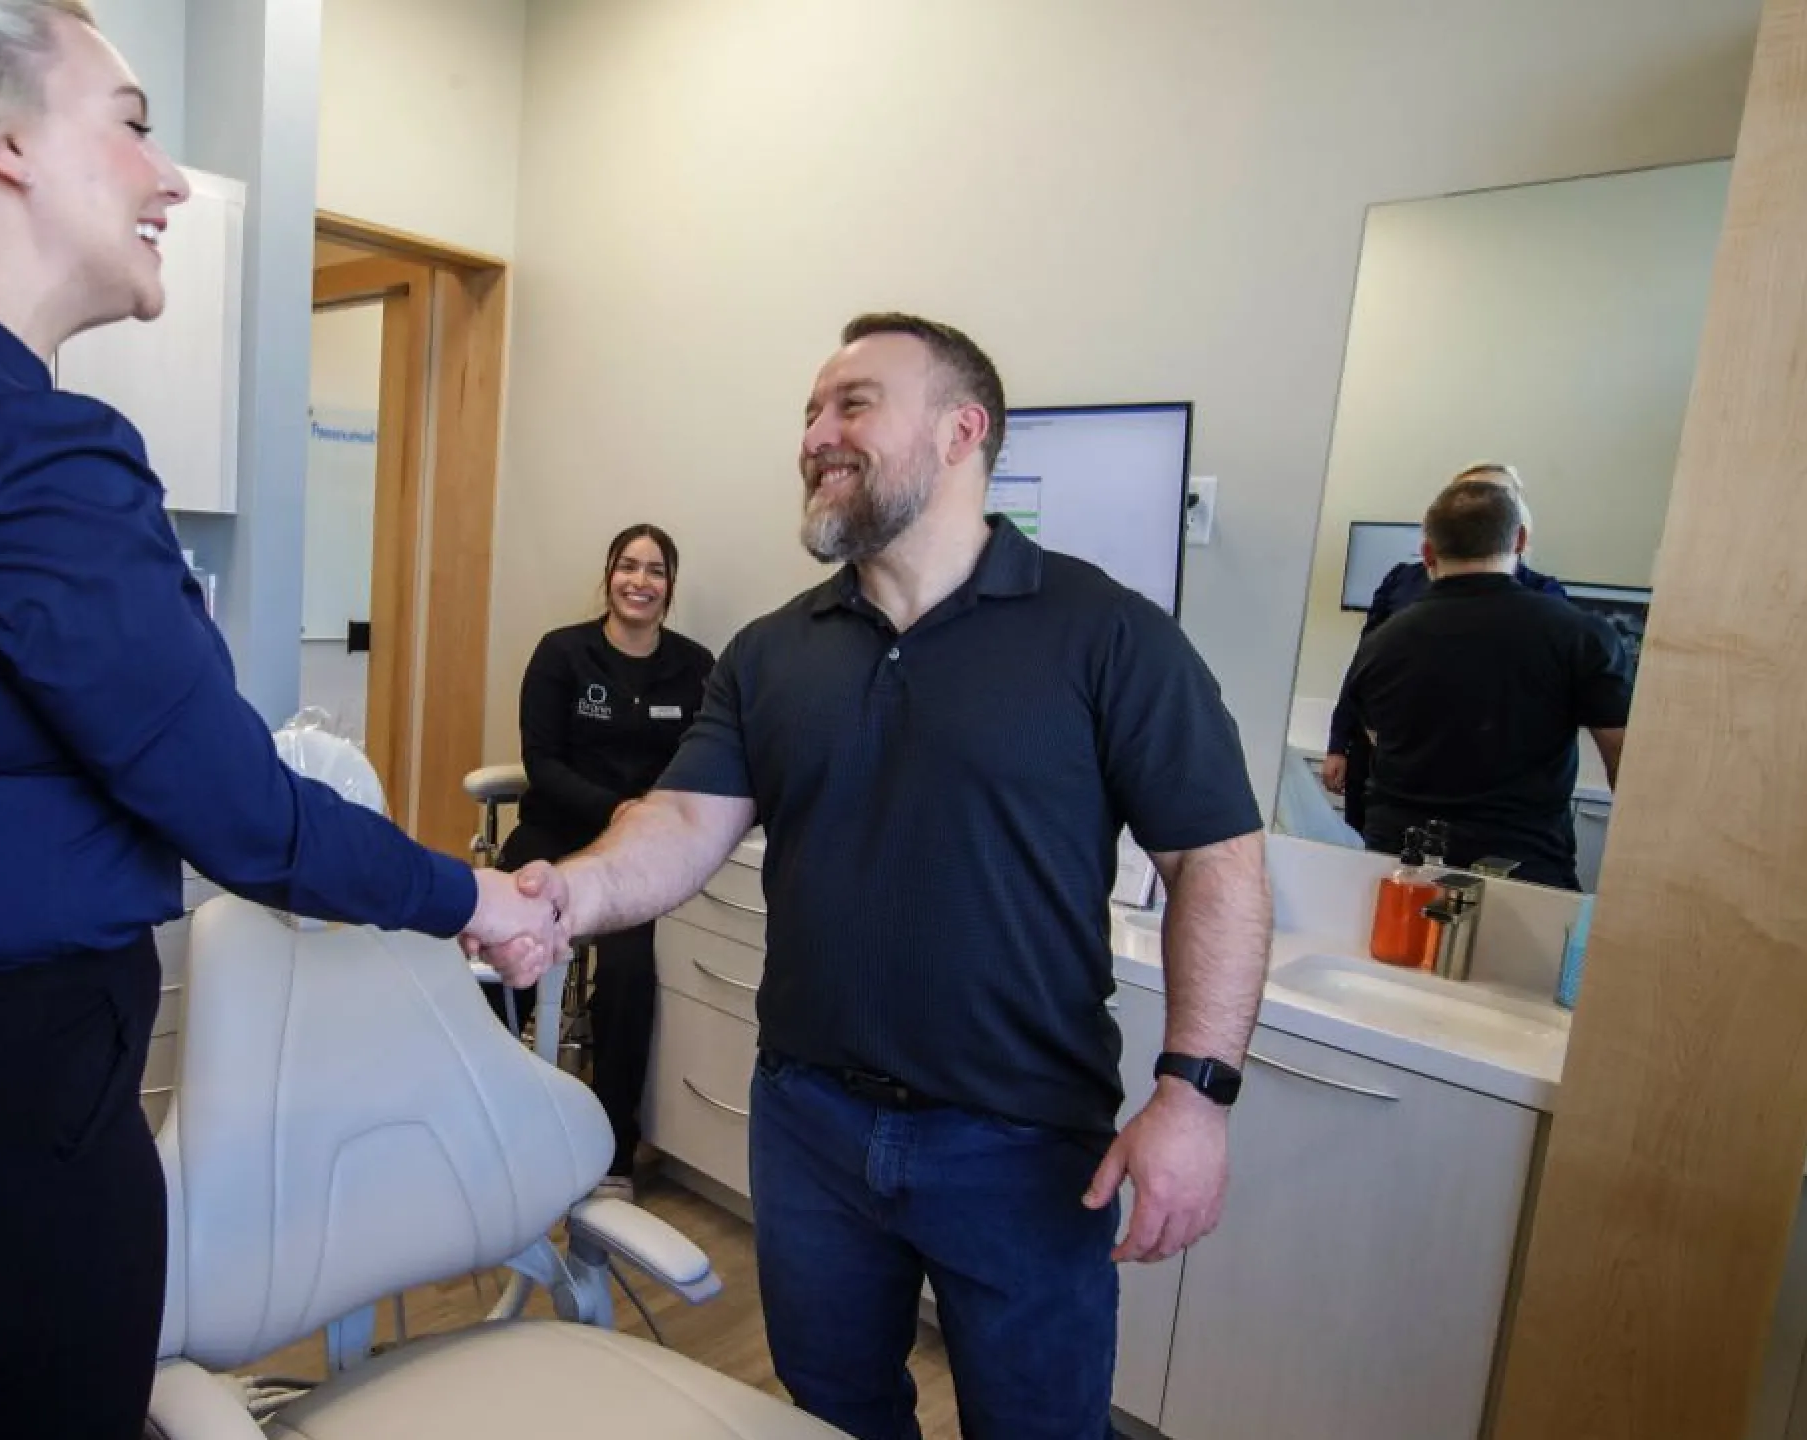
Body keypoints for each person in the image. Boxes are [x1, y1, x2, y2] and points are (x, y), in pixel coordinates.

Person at [0, 4, 563, 1435]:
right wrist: (470, 895)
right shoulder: (21, 436)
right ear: (5, 136)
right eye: (138, 123)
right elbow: (237, 809)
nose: (169, 181)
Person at [513, 313, 1273, 1440]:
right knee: (836, 1411)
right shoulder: (776, 652)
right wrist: (562, 897)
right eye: (810, 413)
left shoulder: (1106, 635)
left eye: (852, 404)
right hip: (810, 1122)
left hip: (1020, 1140)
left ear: (962, 429)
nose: (816, 434)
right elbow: (680, 818)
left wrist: (1194, 1095)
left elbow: (1214, 861)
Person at [493, 523, 716, 1199]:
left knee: (628, 975)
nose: (640, 582)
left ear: (670, 588)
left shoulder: (696, 666)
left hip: (637, 857)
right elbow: (542, 762)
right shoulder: (564, 654)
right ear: (609, 576)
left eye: (655, 571)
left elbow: (703, 759)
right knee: (509, 947)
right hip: (555, 831)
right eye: (628, 567)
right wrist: (616, 808)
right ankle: (485, 1111)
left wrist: (652, 822)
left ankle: (614, 1150)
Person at [1340, 478, 1631, 890]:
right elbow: (1624, 761)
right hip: (1523, 869)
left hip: (1400, 871)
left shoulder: (1381, 644)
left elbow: (1378, 741)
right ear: (1520, 541)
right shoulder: (1580, 635)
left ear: (1427, 552)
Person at [1323, 463, 1567, 829]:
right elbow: (1364, 667)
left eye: (1494, 498)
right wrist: (1338, 743)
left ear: (1518, 531)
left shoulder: (1546, 599)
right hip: (1389, 766)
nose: (1479, 508)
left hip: (1491, 784)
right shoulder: (1402, 582)